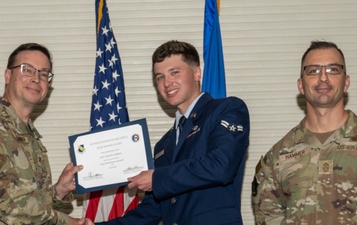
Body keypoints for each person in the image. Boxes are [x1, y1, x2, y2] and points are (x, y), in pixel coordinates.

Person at [88, 40, 250, 225]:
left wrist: (156, 178)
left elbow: (221, 166)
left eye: (174, 72)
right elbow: (153, 209)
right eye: (160, 77)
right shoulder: (163, 145)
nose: (167, 83)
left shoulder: (226, 109)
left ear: (197, 73)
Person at [252, 41, 357, 224]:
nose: (323, 78)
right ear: (301, 85)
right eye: (313, 71)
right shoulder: (277, 157)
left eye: (333, 69)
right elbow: (268, 217)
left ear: (346, 82)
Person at [0, 43, 90, 225]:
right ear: (8, 75)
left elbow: (29, 201)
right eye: (28, 70)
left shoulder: (30, 135)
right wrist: (68, 222)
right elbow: (8, 210)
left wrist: (59, 190)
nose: (36, 79)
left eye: (43, 74)